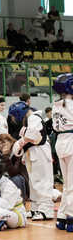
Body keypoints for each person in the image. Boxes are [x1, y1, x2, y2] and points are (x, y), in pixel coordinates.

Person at [11, 102, 54, 220]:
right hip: (33, 154)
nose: (14, 119)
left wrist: (19, 143)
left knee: (42, 181)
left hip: (40, 153)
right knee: (33, 183)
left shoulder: (34, 118)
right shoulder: (29, 120)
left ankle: (46, 210)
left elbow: (33, 136)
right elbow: (28, 139)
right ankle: (35, 208)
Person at [53, 74, 73, 231]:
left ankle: (61, 217)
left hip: (60, 142)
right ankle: (71, 218)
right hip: (71, 141)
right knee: (71, 185)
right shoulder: (71, 104)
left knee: (67, 184)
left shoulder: (56, 104)